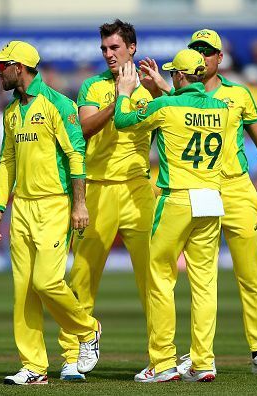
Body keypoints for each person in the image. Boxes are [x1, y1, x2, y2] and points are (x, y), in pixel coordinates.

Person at [140, 28, 257, 375]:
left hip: (237, 188)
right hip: (201, 191)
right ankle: (201, 358)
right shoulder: (182, 94)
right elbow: (177, 110)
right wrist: (160, 88)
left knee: (250, 273)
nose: (201, 55)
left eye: (208, 50)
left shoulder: (239, 94)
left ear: (219, 57)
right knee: (202, 277)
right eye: (195, 49)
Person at [0, 41, 101, 386]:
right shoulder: (10, 111)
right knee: (23, 290)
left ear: (19, 67)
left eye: (2, 64)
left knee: (46, 282)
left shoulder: (57, 104)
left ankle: (88, 329)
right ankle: (34, 367)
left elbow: (76, 155)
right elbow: (7, 161)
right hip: (21, 206)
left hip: (54, 203)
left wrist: (79, 204)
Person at [115, 49, 228, 382]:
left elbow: (123, 122)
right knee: (206, 284)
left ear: (179, 76)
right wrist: (166, 88)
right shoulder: (222, 109)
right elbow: (190, 108)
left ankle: (163, 363)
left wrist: (124, 95)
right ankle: (203, 362)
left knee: (161, 280)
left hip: (177, 199)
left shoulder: (166, 106)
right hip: (211, 199)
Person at [57, 19, 156, 381]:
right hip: (96, 189)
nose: (108, 54)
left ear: (132, 48)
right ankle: (73, 352)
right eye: (104, 48)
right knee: (81, 278)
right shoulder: (93, 86)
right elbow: (82, 129)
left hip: (138, 189)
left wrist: (158, 88)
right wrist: (120, 98)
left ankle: (161, 357)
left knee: (154, 278)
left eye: (114, 48)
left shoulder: (150, 88)